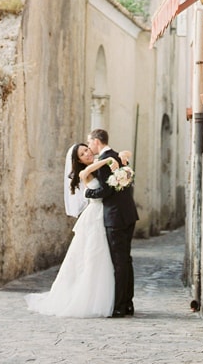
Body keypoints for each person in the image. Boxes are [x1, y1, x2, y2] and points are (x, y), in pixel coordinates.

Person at [25, 143, 123, 318]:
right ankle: (83, 299)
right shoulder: (83, 173)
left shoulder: (98, 169)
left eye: (87, 149)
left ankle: (99, 297)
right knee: (90, 254)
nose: (87, 153)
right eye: (82, 153)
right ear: (78, 160)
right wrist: (108, 159)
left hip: (103, 214)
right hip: (93, 215)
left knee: (100, 255)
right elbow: (90, 172)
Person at [84, 128, 138, 318]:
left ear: (97, 141)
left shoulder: (104, 161)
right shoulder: (117, 156)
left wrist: (88, 193)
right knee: (126, 259)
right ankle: (128, 303)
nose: (89, 147)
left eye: (89, 142)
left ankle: (119, 306)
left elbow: (107, 191)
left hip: (115, 217)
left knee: (119, 262)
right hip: (129, 214)